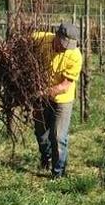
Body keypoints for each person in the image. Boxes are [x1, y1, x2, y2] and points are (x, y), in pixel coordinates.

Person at [32, 22, 83, 179]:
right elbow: (22, 42)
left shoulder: (75, 56)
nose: (65, 48)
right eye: (63, 44)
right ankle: (46, 157)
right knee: (41, 133)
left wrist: (43, 92)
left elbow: (65, 85)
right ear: (56, 36)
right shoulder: (40, 40)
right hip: (39, 95)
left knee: (58, 136)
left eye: (69, 45)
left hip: (62, 98)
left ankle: (58, 173)